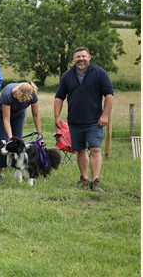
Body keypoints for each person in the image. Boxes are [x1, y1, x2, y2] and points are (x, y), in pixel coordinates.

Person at [54, 47, 114, 192]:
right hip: (74, 121)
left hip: (95, 121)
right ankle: (84, 179)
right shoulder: (67, 76)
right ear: (73, 59)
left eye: (83, 56)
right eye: (78, 57)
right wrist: (57, 116)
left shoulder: (99, 74)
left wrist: (105, 115)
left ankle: (96, 181)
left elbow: (109, 95)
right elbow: (59, 97)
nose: (81, 59)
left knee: (95, 149)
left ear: (89, 57)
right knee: (80, 150)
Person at [0, 82, 43, 181]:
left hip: (19, 115)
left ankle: (18, 171)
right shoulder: (8, 94)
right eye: (17, 97)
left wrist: (40, 135)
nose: (18, 99)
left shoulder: (32, 95)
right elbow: (6, 120)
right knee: (4, 141)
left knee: (19, 143)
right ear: (17, 91)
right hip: (1, 114)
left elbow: (36, 115)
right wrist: (11, 138)